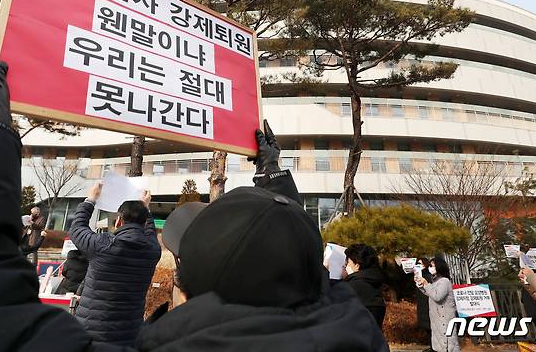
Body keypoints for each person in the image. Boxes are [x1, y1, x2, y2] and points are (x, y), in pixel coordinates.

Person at [0, 47, 127, 351]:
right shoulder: (147, 249)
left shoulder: (107, 245)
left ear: (122, 220)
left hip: (93, 322)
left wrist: (88, 201)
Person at [136, 121, 389, 351]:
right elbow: (291, 248)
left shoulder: (172, 342)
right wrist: (271, 168)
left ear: (193, 293)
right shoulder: (355, 328)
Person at [69, 188, 161, 347]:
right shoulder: (152, 250)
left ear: (119, 221)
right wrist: (146, 209)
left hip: (91, 333)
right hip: (129, 334)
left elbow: (77, 228)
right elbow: (150, 232)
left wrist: (91, 199)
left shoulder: (101, 244)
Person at [417, 258, 460, 352]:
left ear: (439, 267)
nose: (430, 268)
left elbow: (437, 296)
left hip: (444, 320)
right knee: (439, 346)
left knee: (448, 346)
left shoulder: (444, 281)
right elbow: (430, 292)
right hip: (437, 321)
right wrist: (421, 285)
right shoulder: (436, 282)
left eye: (432, 266)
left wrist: (426, 284)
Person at [342, 243, 387, 328]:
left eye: (347, 263)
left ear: (357, 265)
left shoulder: (350, 288)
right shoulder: (375, 285)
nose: (344, 266)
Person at [415, 258, 434, 351]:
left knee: (432, 327)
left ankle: (434, 346)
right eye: (418, 264)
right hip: (421, 304)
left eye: (421, 264)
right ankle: (431, 346)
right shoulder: (417, 276)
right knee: (427, 327)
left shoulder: (429, 276)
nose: (420, 265)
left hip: (429, 303)